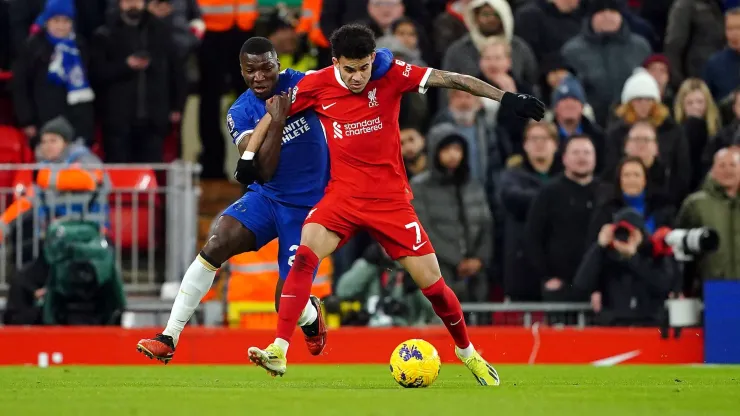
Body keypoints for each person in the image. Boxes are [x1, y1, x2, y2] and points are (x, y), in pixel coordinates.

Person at [245, 23, 544, 383]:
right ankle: (279, 349)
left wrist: (506, 98)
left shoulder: (393, 74)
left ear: (372, 58)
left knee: (434, 287)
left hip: (390, 201)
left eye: (363, 68)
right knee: (305, 255)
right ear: (335, 62)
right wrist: (248, 158)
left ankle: (467, 352)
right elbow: (273, 112)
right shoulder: (316, 84)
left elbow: (454, 79)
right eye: (349, 69)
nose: (357, 78)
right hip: (343, 196)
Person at [134, 37, 395, 364]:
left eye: (266, 68)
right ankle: (169, 336)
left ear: (278, 65)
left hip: (309, 210)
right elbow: (263, 170)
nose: (259, 77)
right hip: (267, 196)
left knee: (284, 302)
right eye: (250, 70)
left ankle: (311, 317)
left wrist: (378, 58)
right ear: (242, 72)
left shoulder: (304, 84)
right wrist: (277, 121)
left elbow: (368, 64)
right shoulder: (240, 112)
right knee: (216, 242)